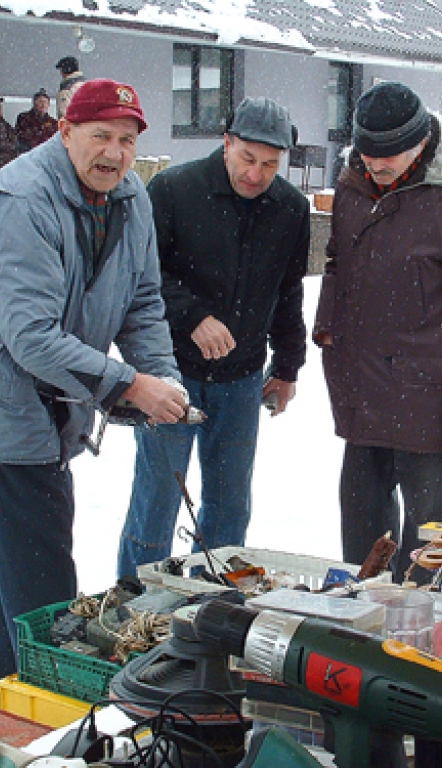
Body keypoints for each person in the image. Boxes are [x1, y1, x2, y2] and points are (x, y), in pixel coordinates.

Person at [0, 78, 188, 704]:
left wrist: (165, 377)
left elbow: (143, 303)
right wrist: (129, 384)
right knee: (47, 578)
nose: (114, 152)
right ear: (64, 131)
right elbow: (33, 340)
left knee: (23, 551)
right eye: (100, 135)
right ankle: (58, 713)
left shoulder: (130, 197)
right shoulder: (19, 201)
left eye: (126, 140)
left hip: (55, 403)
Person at [313, 82, 442, 581]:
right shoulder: (351, 187)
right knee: (361, 546)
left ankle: (412, 640)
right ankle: (358, 633)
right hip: (361, 392)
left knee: (424, 552)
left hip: (429, 406)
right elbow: (338, 265)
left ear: (424, 143)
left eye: (392, 155)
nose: (378, 166)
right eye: (368, 154)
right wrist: (327, 331)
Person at [117, 97, 309, 577]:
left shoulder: (290, 208)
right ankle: (136, 598)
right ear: (226, 143)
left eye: (270, 164)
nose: (256, 174)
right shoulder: (174, 189)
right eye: (247, 158)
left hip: (241, 379)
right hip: (169, 373)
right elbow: (141, 274)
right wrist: (193, 316)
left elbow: (288, 291)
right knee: (159, 495)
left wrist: (287, 366)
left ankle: (216, 602)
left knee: (230, 503)